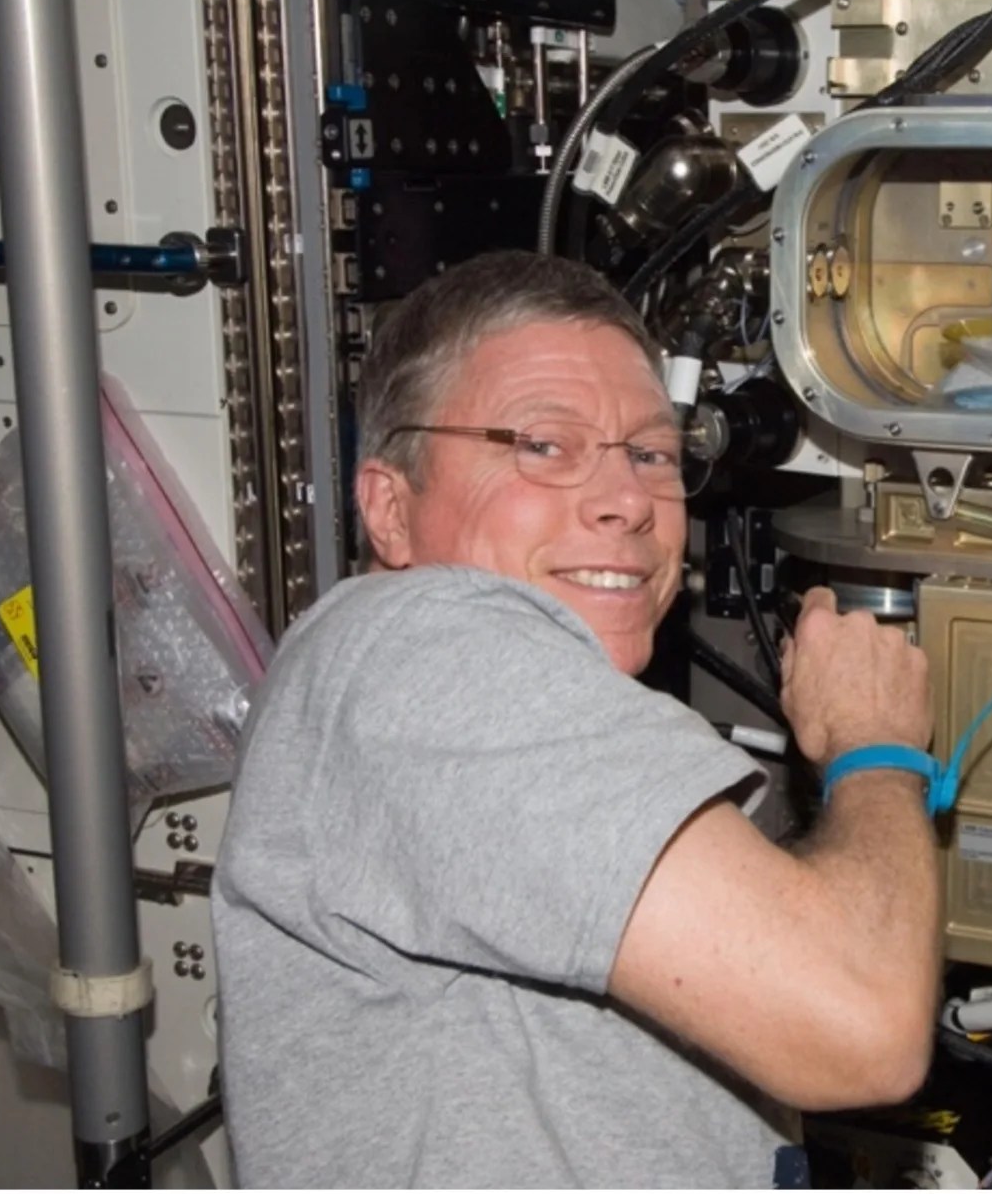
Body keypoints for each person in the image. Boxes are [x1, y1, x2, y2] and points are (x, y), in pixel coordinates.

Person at [210, 251, 942, 1187]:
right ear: (391, 510)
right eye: (542, 447)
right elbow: (861, 1029)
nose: (628, 501)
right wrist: (874, 747)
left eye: (651, 455)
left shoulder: (468, 694)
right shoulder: (431, 651)